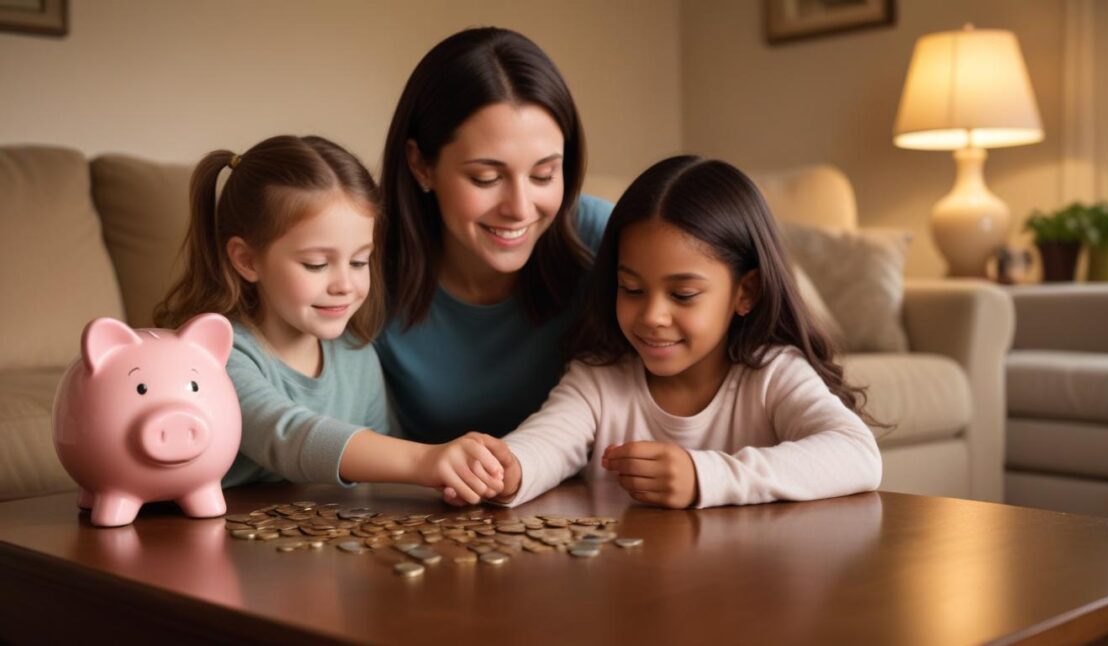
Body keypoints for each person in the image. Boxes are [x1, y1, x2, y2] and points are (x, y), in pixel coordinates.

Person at [489, 156, 883, 509]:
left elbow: (855, 453)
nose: (652, 316)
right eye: (632, 289)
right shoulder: (599, 377)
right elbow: (546, 443)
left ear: (745, 293)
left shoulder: (772, 374)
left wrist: (703, 476)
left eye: (683, 294)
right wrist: (508, 468)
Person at [154, 135, 507, 504]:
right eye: (317, 264)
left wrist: (448, 480)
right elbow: (289, 436)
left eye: (359, 261)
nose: (345, 285)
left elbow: (379, 464)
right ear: (247, 260)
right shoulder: (216, 360)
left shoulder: (357, 355)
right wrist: (424, 460)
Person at [376, 27, 613, 444]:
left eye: (544, 174)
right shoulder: (362, 264)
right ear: (421, 165)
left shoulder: (605, 239)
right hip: (420, 501)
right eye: (486, 178)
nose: (520, 208)